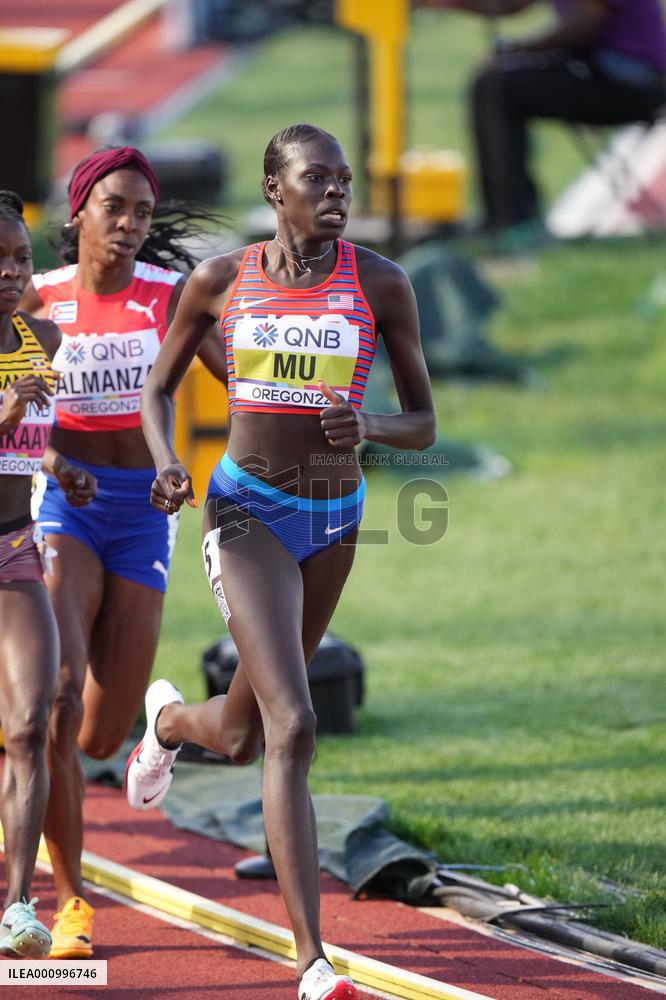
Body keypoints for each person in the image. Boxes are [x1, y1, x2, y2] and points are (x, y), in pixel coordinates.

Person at [126, 123, 436, 1000]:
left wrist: (370, 425)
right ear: (275, 188)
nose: (335, 193)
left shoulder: (381, 283)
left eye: (343, 180)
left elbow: (425, 422)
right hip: (244, 511)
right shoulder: (221, 282)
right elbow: (158, 387)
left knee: (244, 731)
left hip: (335, 520)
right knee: (295, 725)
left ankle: (171, 726)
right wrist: (166, 464)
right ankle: (312, 963)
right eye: (317, 179)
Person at [19, 146, 228, 958]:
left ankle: (153, 727)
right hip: (62, 510)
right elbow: (12, 415)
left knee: (100, 737)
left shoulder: (167, 296)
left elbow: (238, 383)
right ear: (79, 213)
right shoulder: (39, 299)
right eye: (116, 207)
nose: (133, 224)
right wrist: (52, 463)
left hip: (144, 515)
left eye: (144, 211)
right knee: (61, 698)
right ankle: (70, 901)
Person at [0, 190, 95, 957]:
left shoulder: (45, 337)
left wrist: (57, 465)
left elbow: (29, 437)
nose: (9, 273)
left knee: (31, 724)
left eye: (19, 260)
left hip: (16, 550)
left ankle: (19, 907)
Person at [440, 0, 666, 233]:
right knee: (495, 83)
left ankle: (514, 219)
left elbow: (583, 24)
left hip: (631, 84)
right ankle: (507, 216)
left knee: (496, 87)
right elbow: (511, 4)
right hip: (604, 70)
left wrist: (519, 49)